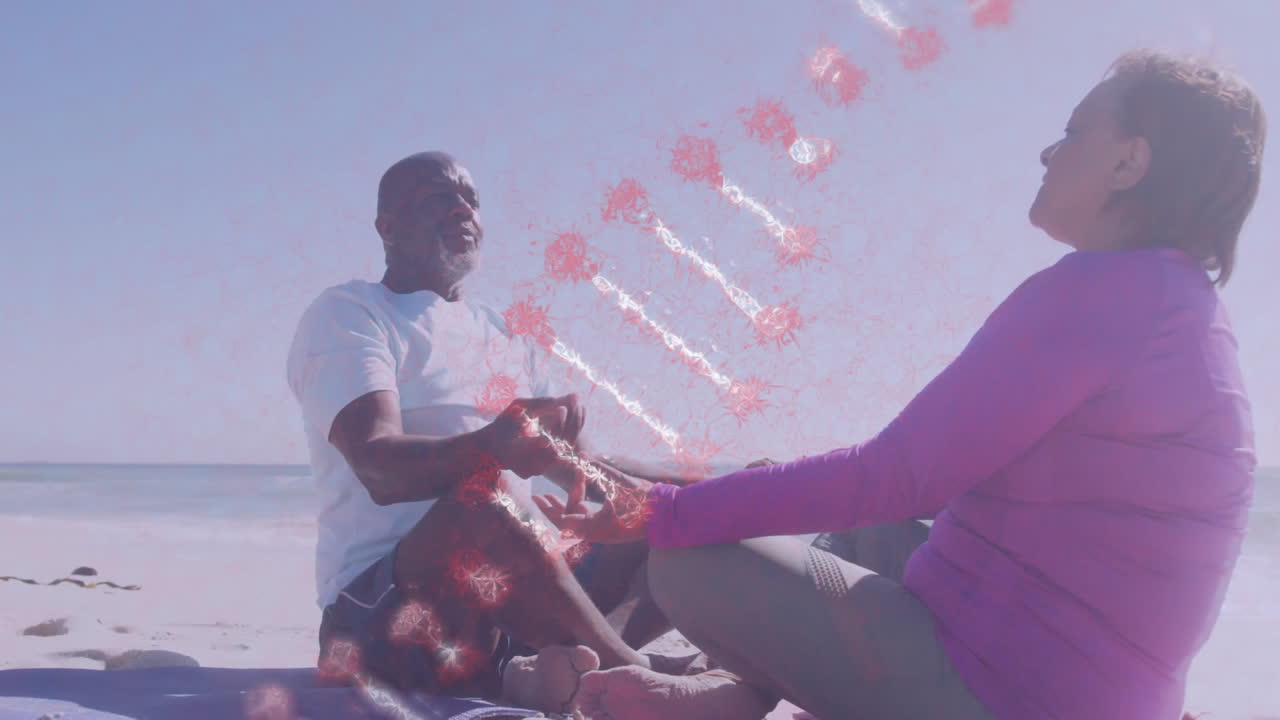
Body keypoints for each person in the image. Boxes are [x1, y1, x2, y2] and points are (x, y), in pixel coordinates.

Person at [536, 49, 1268, 719]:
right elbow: (911, 489)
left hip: (1015, 696)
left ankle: (743, 692)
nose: (1049, 151)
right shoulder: (1181, 309)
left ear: (1128, 163)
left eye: (1075, 132)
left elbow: (897, 473)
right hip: (1098, 690)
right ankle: (737, 696)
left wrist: (660, 512)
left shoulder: (1105, 294)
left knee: (691, 559)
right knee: (867, 532)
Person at [285, 151, 694, 710]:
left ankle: (562, 666)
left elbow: (583, 470)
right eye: (438, 198)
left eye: (471, 199)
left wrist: (711, 487)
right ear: (387, 227)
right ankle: (637, 678)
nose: (462, 209)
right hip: (383, 618)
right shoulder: (353, 313)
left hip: (506, 611)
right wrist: (493, 446)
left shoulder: (505, 332)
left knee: (673, 518)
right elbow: (376, 464)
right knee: (487, 494)